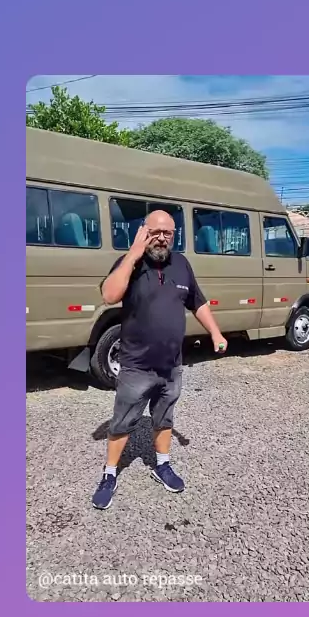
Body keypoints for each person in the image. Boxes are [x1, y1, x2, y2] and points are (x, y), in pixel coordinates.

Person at [92, 209, 228, 510]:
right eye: (155, 232)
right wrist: (133, 253)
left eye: (168, 233)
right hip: (136, 365)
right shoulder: (130, 262)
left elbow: (198, 302)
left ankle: (162, 464)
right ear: (144, 232)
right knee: (122, 422)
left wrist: (216, 333)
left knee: (164, 417)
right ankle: (109, 473)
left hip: (171, 364)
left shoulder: (181, 264)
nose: (162, 238)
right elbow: (109, 295)